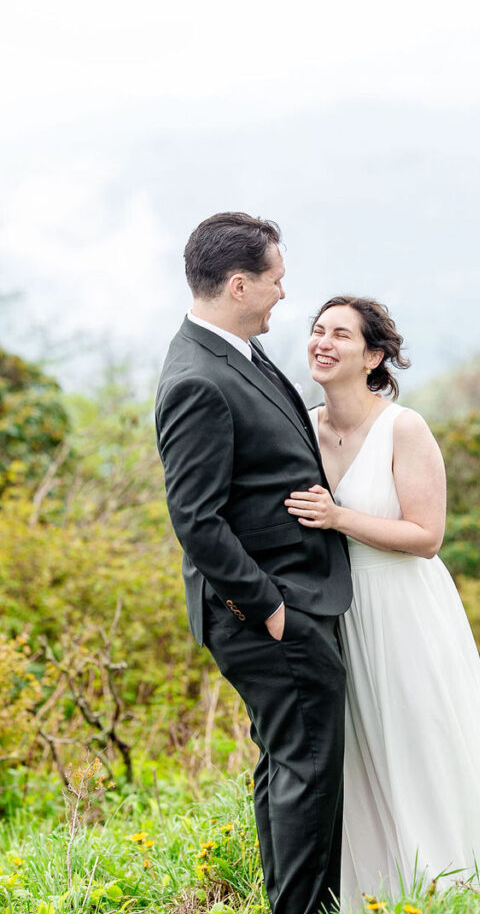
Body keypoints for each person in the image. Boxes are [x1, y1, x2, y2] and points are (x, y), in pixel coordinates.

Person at [284, 296, 480, 909]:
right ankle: (383, 889)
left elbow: (427, 537)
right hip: (337, 613)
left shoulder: (404, 427)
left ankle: (456, 881)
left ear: (373, 356)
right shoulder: (303, 426)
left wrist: (338, 516)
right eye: (318, 330)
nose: (323, 341)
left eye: (341, 334)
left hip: (404, 607)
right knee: (362, 752)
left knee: (421, 740)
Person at [155, 214, 352, 914]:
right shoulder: (197, 380)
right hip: (264, 609)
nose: (280, 296)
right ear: (239, 285)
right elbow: (196, 522)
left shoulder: (235, 350)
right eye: (274, 282)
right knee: (308, 769)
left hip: (290, 597)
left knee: (287, 762)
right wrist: (268, 611)